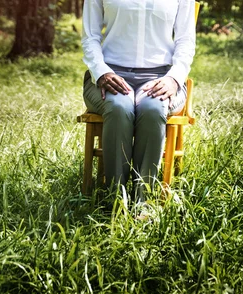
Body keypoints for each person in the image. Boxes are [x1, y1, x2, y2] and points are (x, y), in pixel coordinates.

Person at [81, 0, 196, 199]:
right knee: (119, 107)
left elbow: (185, 40)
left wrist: (174, 78)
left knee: (153, 108)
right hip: (110, 75)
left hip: (162, 76)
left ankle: (144, 198)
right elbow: (90, 36)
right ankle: (116, 196)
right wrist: (101, 73)